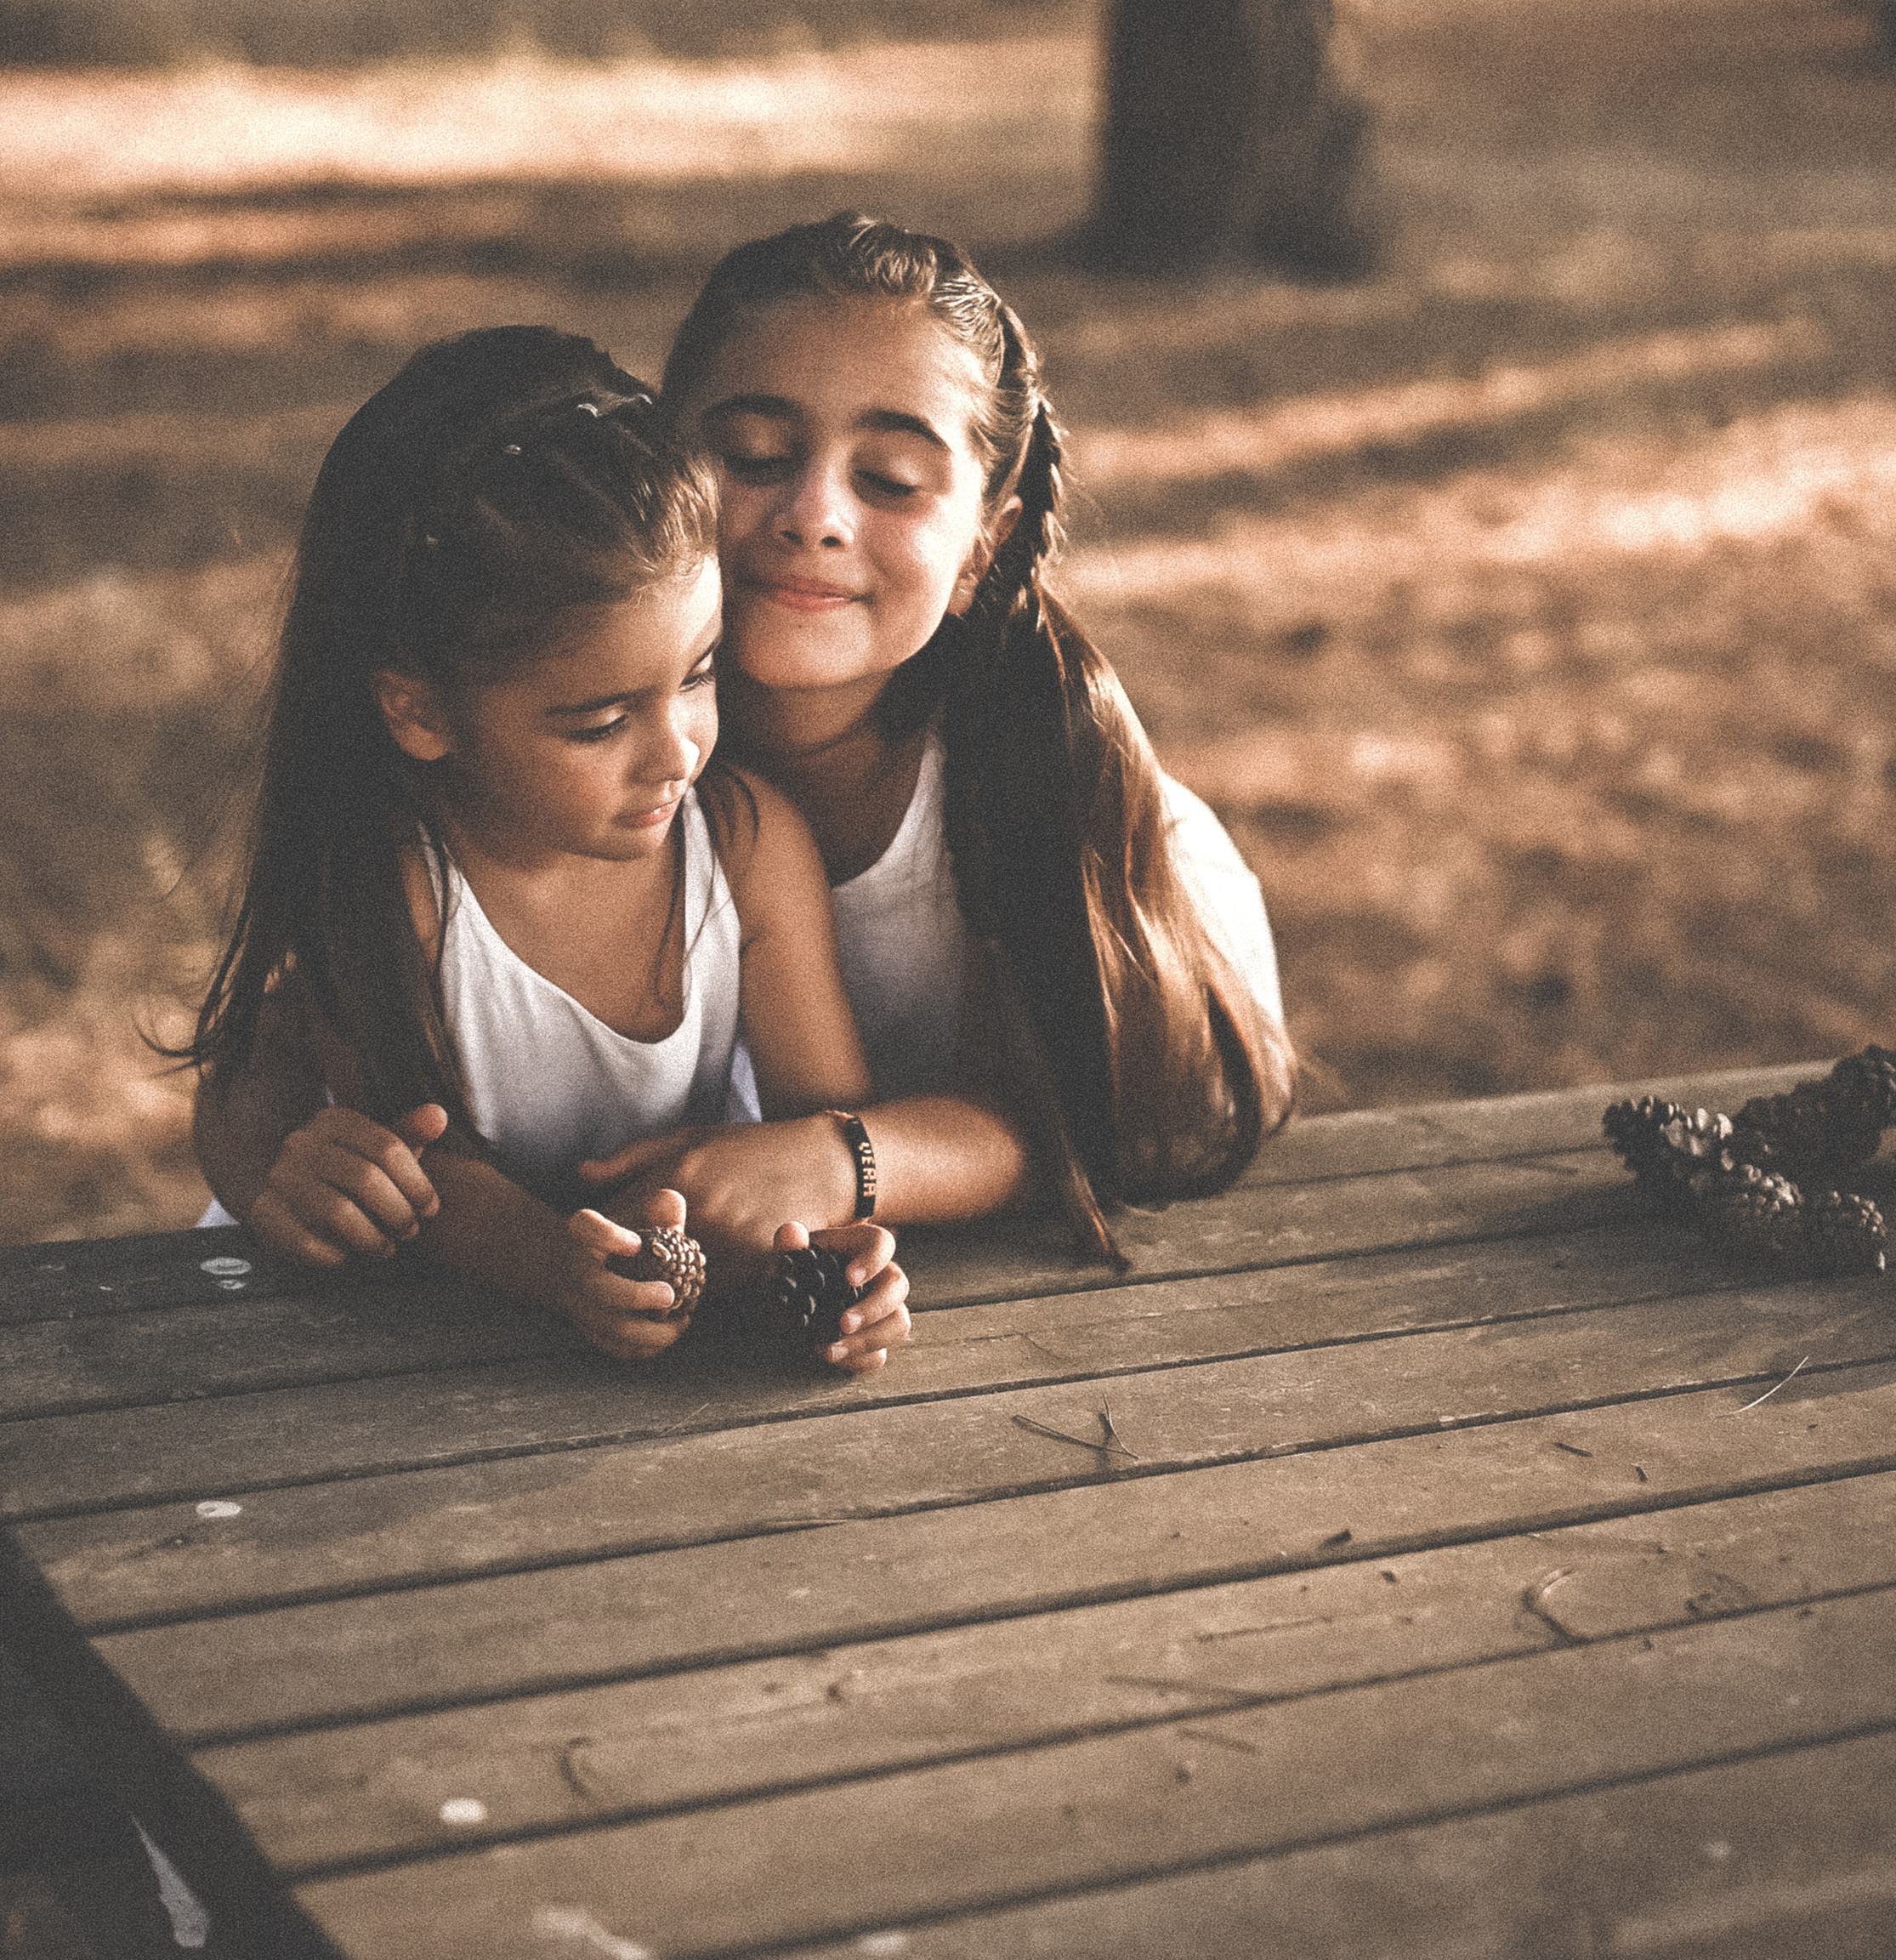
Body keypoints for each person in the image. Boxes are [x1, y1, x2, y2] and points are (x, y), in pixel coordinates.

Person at [190, 327, 909, 1368]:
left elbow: (822, 1123)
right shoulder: (398, 888)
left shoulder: (747, 847)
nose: (677, 752)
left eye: (700, 672)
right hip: (377, 1352)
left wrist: (846, 1268)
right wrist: (561, 1269)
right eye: (598, 722)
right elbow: (423, 1174)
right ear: (421, 710)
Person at [586, 213, 1293, 1263]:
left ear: (982, 548)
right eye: (754, 454)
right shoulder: (575, 736)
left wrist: (844, 1161)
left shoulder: (1043, 784)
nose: (812, 511)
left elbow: (1115, 1115)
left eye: (890, 480)